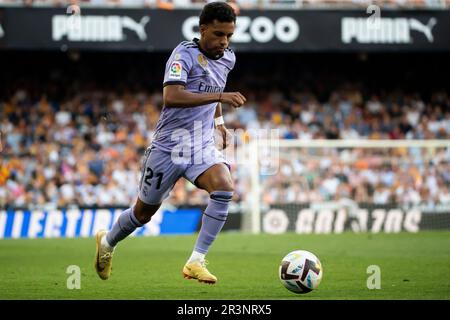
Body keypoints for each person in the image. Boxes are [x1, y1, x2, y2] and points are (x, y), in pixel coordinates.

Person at [94, 1, 246, 285]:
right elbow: (172, 96)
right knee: (143, 213)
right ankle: (108, 243)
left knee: (224, 187)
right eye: (218, 34)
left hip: (199, 145)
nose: (224, 41)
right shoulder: (183, 55)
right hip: (168, 148)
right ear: (203, 30)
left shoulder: (228, 58)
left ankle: (196, 261)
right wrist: (220, 98)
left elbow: (216, 88)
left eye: (229, 36)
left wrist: (220, 123)